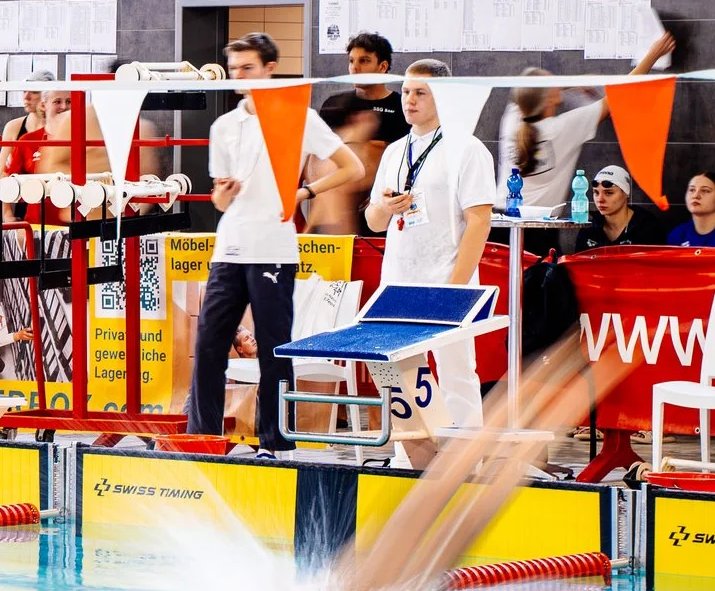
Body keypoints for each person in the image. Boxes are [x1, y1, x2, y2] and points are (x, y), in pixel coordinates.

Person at [186, 33, 365, 455]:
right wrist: (224, 195)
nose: (240, 76)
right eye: (235, 70)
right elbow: (218, 197)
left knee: (274, 350)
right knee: (209, 346)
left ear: (270, 68)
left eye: (248, 68)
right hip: (229, 248)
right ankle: (203, 439)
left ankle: (275, 442)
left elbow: (351, 166)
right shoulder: (224, 126)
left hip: (274, 249)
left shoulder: (298, 117)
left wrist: (305, 192)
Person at [365, 60, 499, 466]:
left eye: (420, 92)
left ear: (442, 96)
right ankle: (413, 457)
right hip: (400, 279)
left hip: (447, 279)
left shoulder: (467, 149)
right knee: (404, 371)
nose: (409, 100)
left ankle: (466, 458)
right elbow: (372, 221)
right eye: (406, 92)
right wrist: (386, 207)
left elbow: (480, 221)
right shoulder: (394, 152)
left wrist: (455, 286)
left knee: (457, 371)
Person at [499, 31, 675, 215]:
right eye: (552, 81)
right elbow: (620, 96)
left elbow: (526, 92)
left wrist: (576, 82)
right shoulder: (562, 129)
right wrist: (653, 54)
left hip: (497, 226)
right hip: (539, 230)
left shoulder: (512, 120)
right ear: (551, 99)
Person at [318, 33, 411, 237]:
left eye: (364, 61)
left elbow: (406, 160)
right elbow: (319, 158)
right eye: (351, 61)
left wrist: (379, 194)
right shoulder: (334, 105)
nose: (355, 68)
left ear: (383, 67)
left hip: (380, 209)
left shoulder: (401, 108)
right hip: (337, 211)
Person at [0, 80, 49, 222]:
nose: (26, 97)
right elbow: (4, 174)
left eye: (34, 91)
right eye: (24, 91)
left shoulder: (66, 131)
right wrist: (6, 214)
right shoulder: (19, 132)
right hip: (28, 207)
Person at [578, 164, 668, 249]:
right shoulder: (588, 231)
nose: (600, 199)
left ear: (626, 193)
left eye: (609, 193)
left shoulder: (648, 229)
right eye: (596, 192)